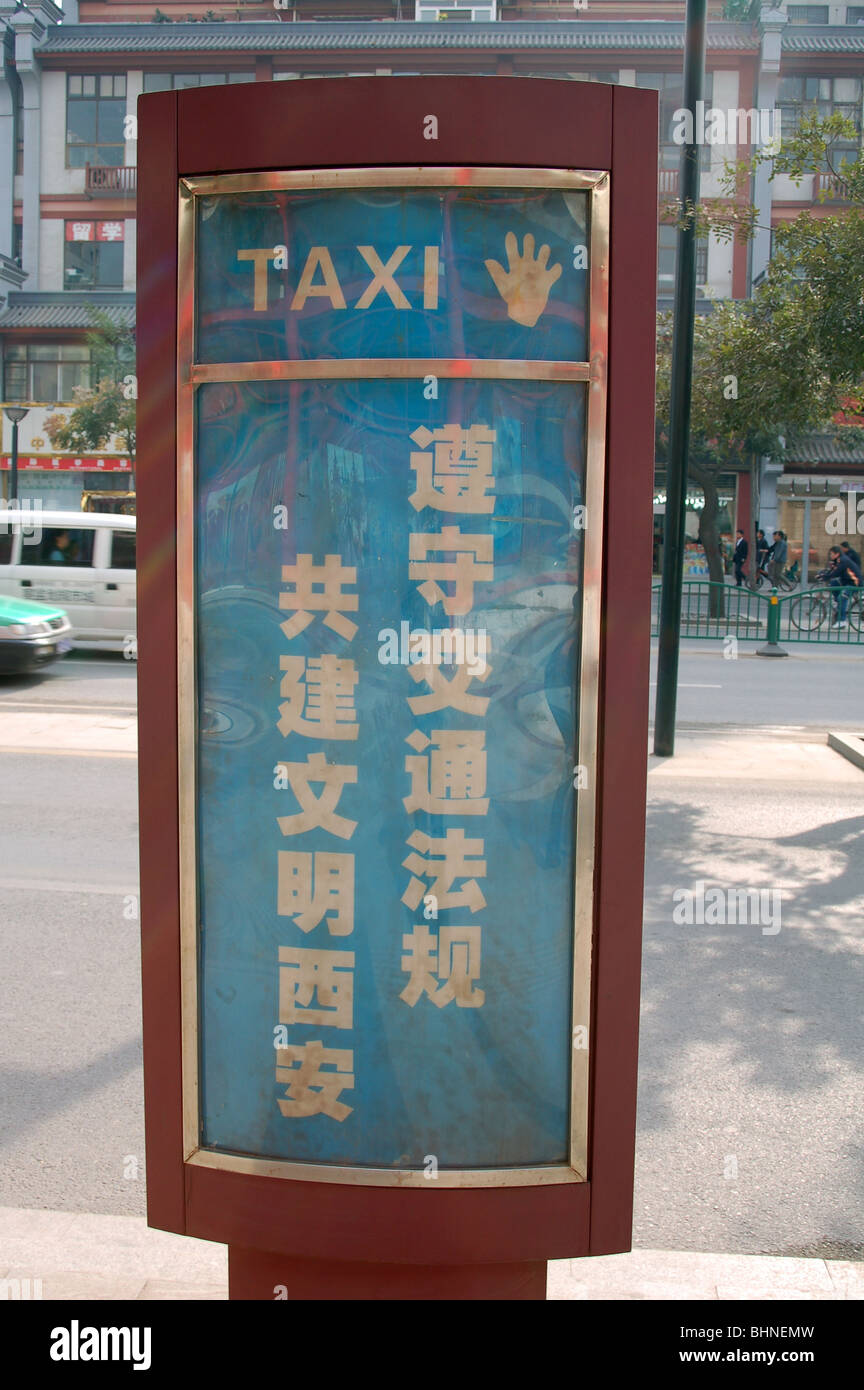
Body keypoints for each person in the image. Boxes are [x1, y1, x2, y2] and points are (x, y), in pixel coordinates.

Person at [825, 545, 861, 628]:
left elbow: (836, 572)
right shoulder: (838, 560)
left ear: (837, 554)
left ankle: (842, 621)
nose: (830, 556)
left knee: (842, 597)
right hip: (846, 580)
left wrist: (826, 577)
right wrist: (823, 574)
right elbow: (832, 571)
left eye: (831, 554)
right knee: (834, 583)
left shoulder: (843, 560)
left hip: (854, 583)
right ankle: (838, 603)